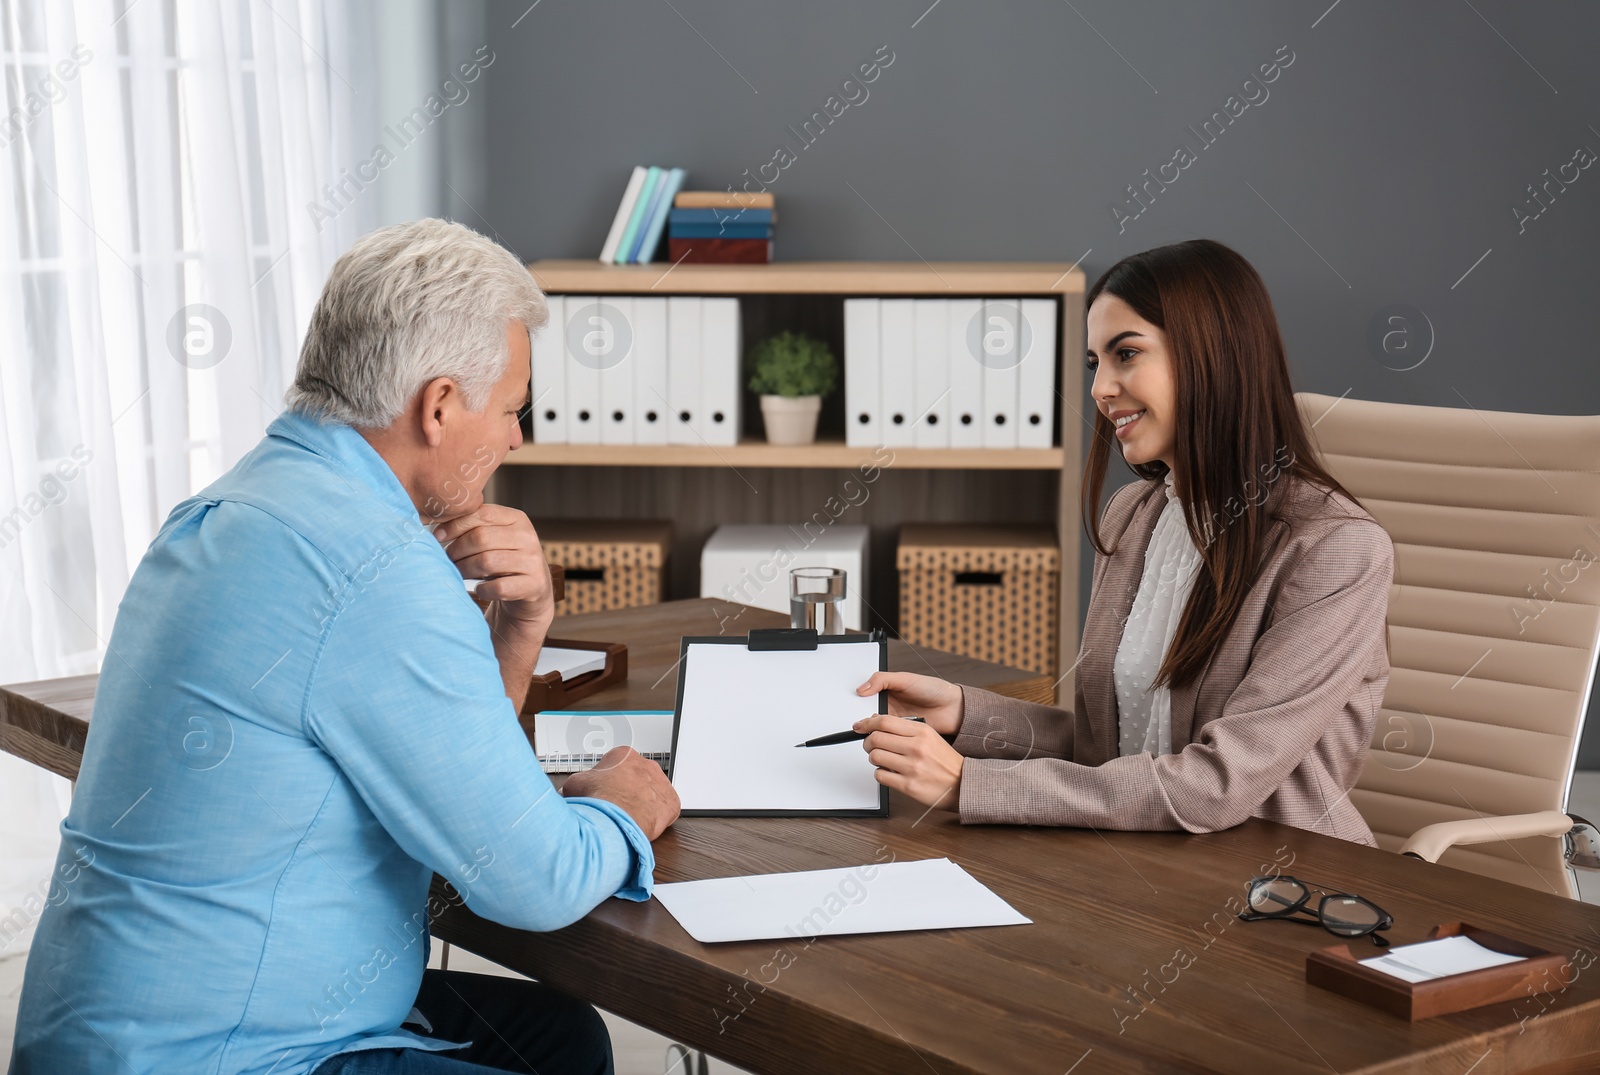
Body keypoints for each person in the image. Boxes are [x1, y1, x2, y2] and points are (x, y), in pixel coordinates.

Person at [9, 219, 679, 1075]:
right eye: (513, 408)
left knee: (562, 1036)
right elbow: (531, 881)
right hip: (232, 1057)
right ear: (438, 407)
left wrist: (517, 634)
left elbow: (455, 775)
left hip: (112, 1033)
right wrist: (626, 807)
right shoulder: (378, 567)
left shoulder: (231, 507)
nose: (516, 439)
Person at [853, 239, 1392, 845]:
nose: (1101, 388)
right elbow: (1108, 750)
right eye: (1094, 364)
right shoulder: (1134, 514)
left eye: (1126, 354)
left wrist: (970, 784)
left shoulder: (1335, 550)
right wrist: (963, 715)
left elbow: (1216, 784)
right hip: (1139, 857)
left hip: (1275, 881)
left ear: (1213, 356)